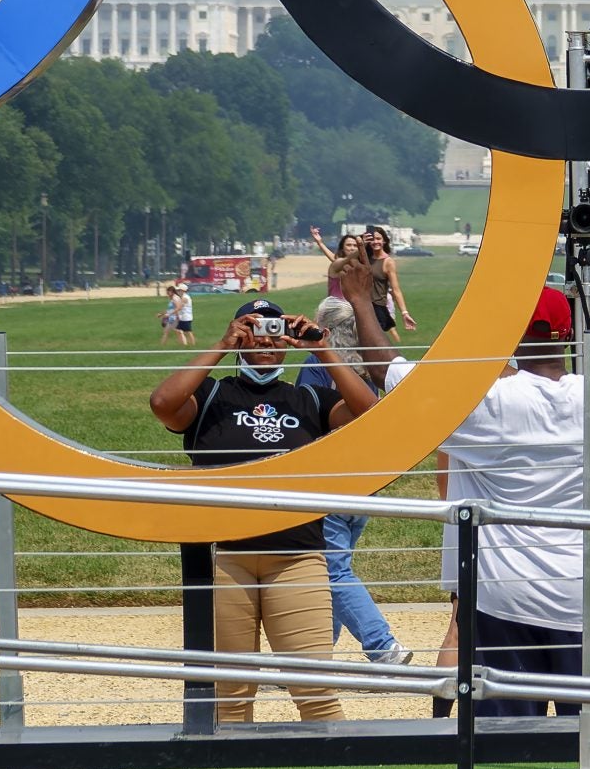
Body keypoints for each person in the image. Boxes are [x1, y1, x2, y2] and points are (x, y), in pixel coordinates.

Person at [383, 283, 590, 716]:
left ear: (510, 339)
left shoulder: (488, 402)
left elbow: (389, 372)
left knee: (503, 754)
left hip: (504, 602)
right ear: (569, 335)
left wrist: (363, 302)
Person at [148, 293, 381, 721]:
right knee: (230, 698)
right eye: (254, 329)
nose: (266, 340)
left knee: (316, 693)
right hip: (225, 559)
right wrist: (221, 345)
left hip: (297, 556)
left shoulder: (308, 399)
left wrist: (320, 347)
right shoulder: (211, 395)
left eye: (275, 330)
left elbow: (370, 414)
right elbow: (163, 404)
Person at [306, 253, 410, 667]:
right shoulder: (371, 374)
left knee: (332, 572)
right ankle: (313, 655)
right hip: (362, 484)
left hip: (325, 485)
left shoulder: (318, 371)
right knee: (333, 570)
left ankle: (381, 646)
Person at [364, 226, 416, 335]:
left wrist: (404, 313)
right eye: (372, 239)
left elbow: (396, 290)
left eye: (378, 238)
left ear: (384, 241)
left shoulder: (388, 262)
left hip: (377, 307)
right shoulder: (364, 258)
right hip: (361, 305)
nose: (375, 242)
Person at [161, 278, 196, 348]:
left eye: (179, 290)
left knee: (188, 331)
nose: (178, 291)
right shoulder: (182, 297)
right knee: (178, 331)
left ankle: (193, 344)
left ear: (183, 290)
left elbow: (179, 307)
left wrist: (169, 313)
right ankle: (183, 344)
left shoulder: (185, 298)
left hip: (186, 317)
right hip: (182, 317)